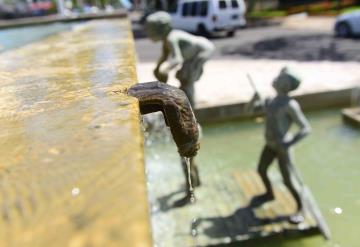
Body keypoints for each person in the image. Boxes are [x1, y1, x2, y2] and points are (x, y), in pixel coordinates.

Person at [247, 67, 311, 224]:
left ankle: (301, 208)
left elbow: (306, 128)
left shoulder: (290, 105)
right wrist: (252, 99)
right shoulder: (270, 101)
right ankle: (269, 194)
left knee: (287, 180)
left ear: (287, 85)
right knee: (261, 170)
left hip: (283, 148)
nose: (276, 78)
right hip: (269, 145)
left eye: (281, 78)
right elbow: (249, 112)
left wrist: (289, 143)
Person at [144, 11, 215, 107]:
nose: (148, 32)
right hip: (195, 53)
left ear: (160, 28)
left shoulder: (171, 38)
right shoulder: (166, 40)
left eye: (151, 29)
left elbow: (178, 59)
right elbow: (164, 56)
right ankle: (186, 104)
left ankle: (191, 108)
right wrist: (157, 68)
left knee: (187, 79)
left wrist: (165, 70)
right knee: (183, 78)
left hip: (203, 51)